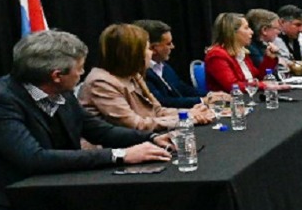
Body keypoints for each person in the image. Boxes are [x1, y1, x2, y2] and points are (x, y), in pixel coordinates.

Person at [0, 30, 171, 210]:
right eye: (79, 68)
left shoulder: (61, 93)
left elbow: (100, 130)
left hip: (54, 195)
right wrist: (121, 155)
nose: (83, 73)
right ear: (56, 75)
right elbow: (34, 158)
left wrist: (149, 139)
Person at [81, 23, 215, 133]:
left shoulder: (134, 75)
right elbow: (135, 125)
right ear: (133, 53)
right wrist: (186, 119)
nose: (151, 53)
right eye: (147, 49)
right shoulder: (101, 82)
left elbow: (157, 110)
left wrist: (189, 112)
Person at [135, 19, 207, 108]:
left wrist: (209, 96)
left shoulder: (164, 66)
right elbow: (162, 102)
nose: (172, 47)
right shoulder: (142, 73)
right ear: (153, 48)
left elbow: (181, 87)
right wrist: (201, 101)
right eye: (168, 44)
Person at [203, 12, 260, 94]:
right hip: (228, 103)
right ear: (233, 33)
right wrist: (263, 85)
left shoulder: (241, 52)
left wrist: (270, 58)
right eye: (246, 28)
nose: (251, 32)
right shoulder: (216, 55)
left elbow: (257, 77)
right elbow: (233, 86)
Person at [243, 9, 282, 82]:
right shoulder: (250, 48)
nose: (279, 32)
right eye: (277, 28)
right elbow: (265, 75)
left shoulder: (263, 46)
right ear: (264, 30)